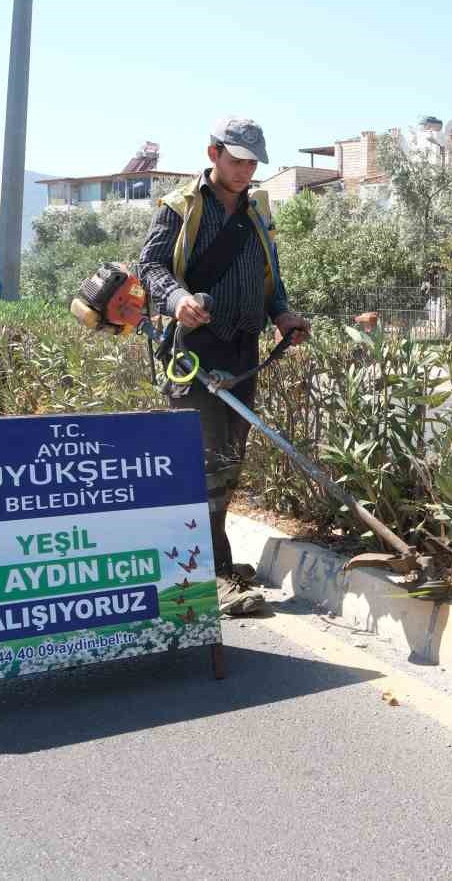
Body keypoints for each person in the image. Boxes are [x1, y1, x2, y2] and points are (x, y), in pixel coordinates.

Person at [138, 118, 310, 617]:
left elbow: (268, 275)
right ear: (214, 154)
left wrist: (282, 314)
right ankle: (209, 575)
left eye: (254, 162)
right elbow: (149, 268)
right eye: (238, 160)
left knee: (229, 461)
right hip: (193, 351)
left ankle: (211, 562)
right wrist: (177, 299)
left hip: (242, 350)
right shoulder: (181, 207)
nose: (246, 170)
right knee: (203, 464)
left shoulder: (256, 210)